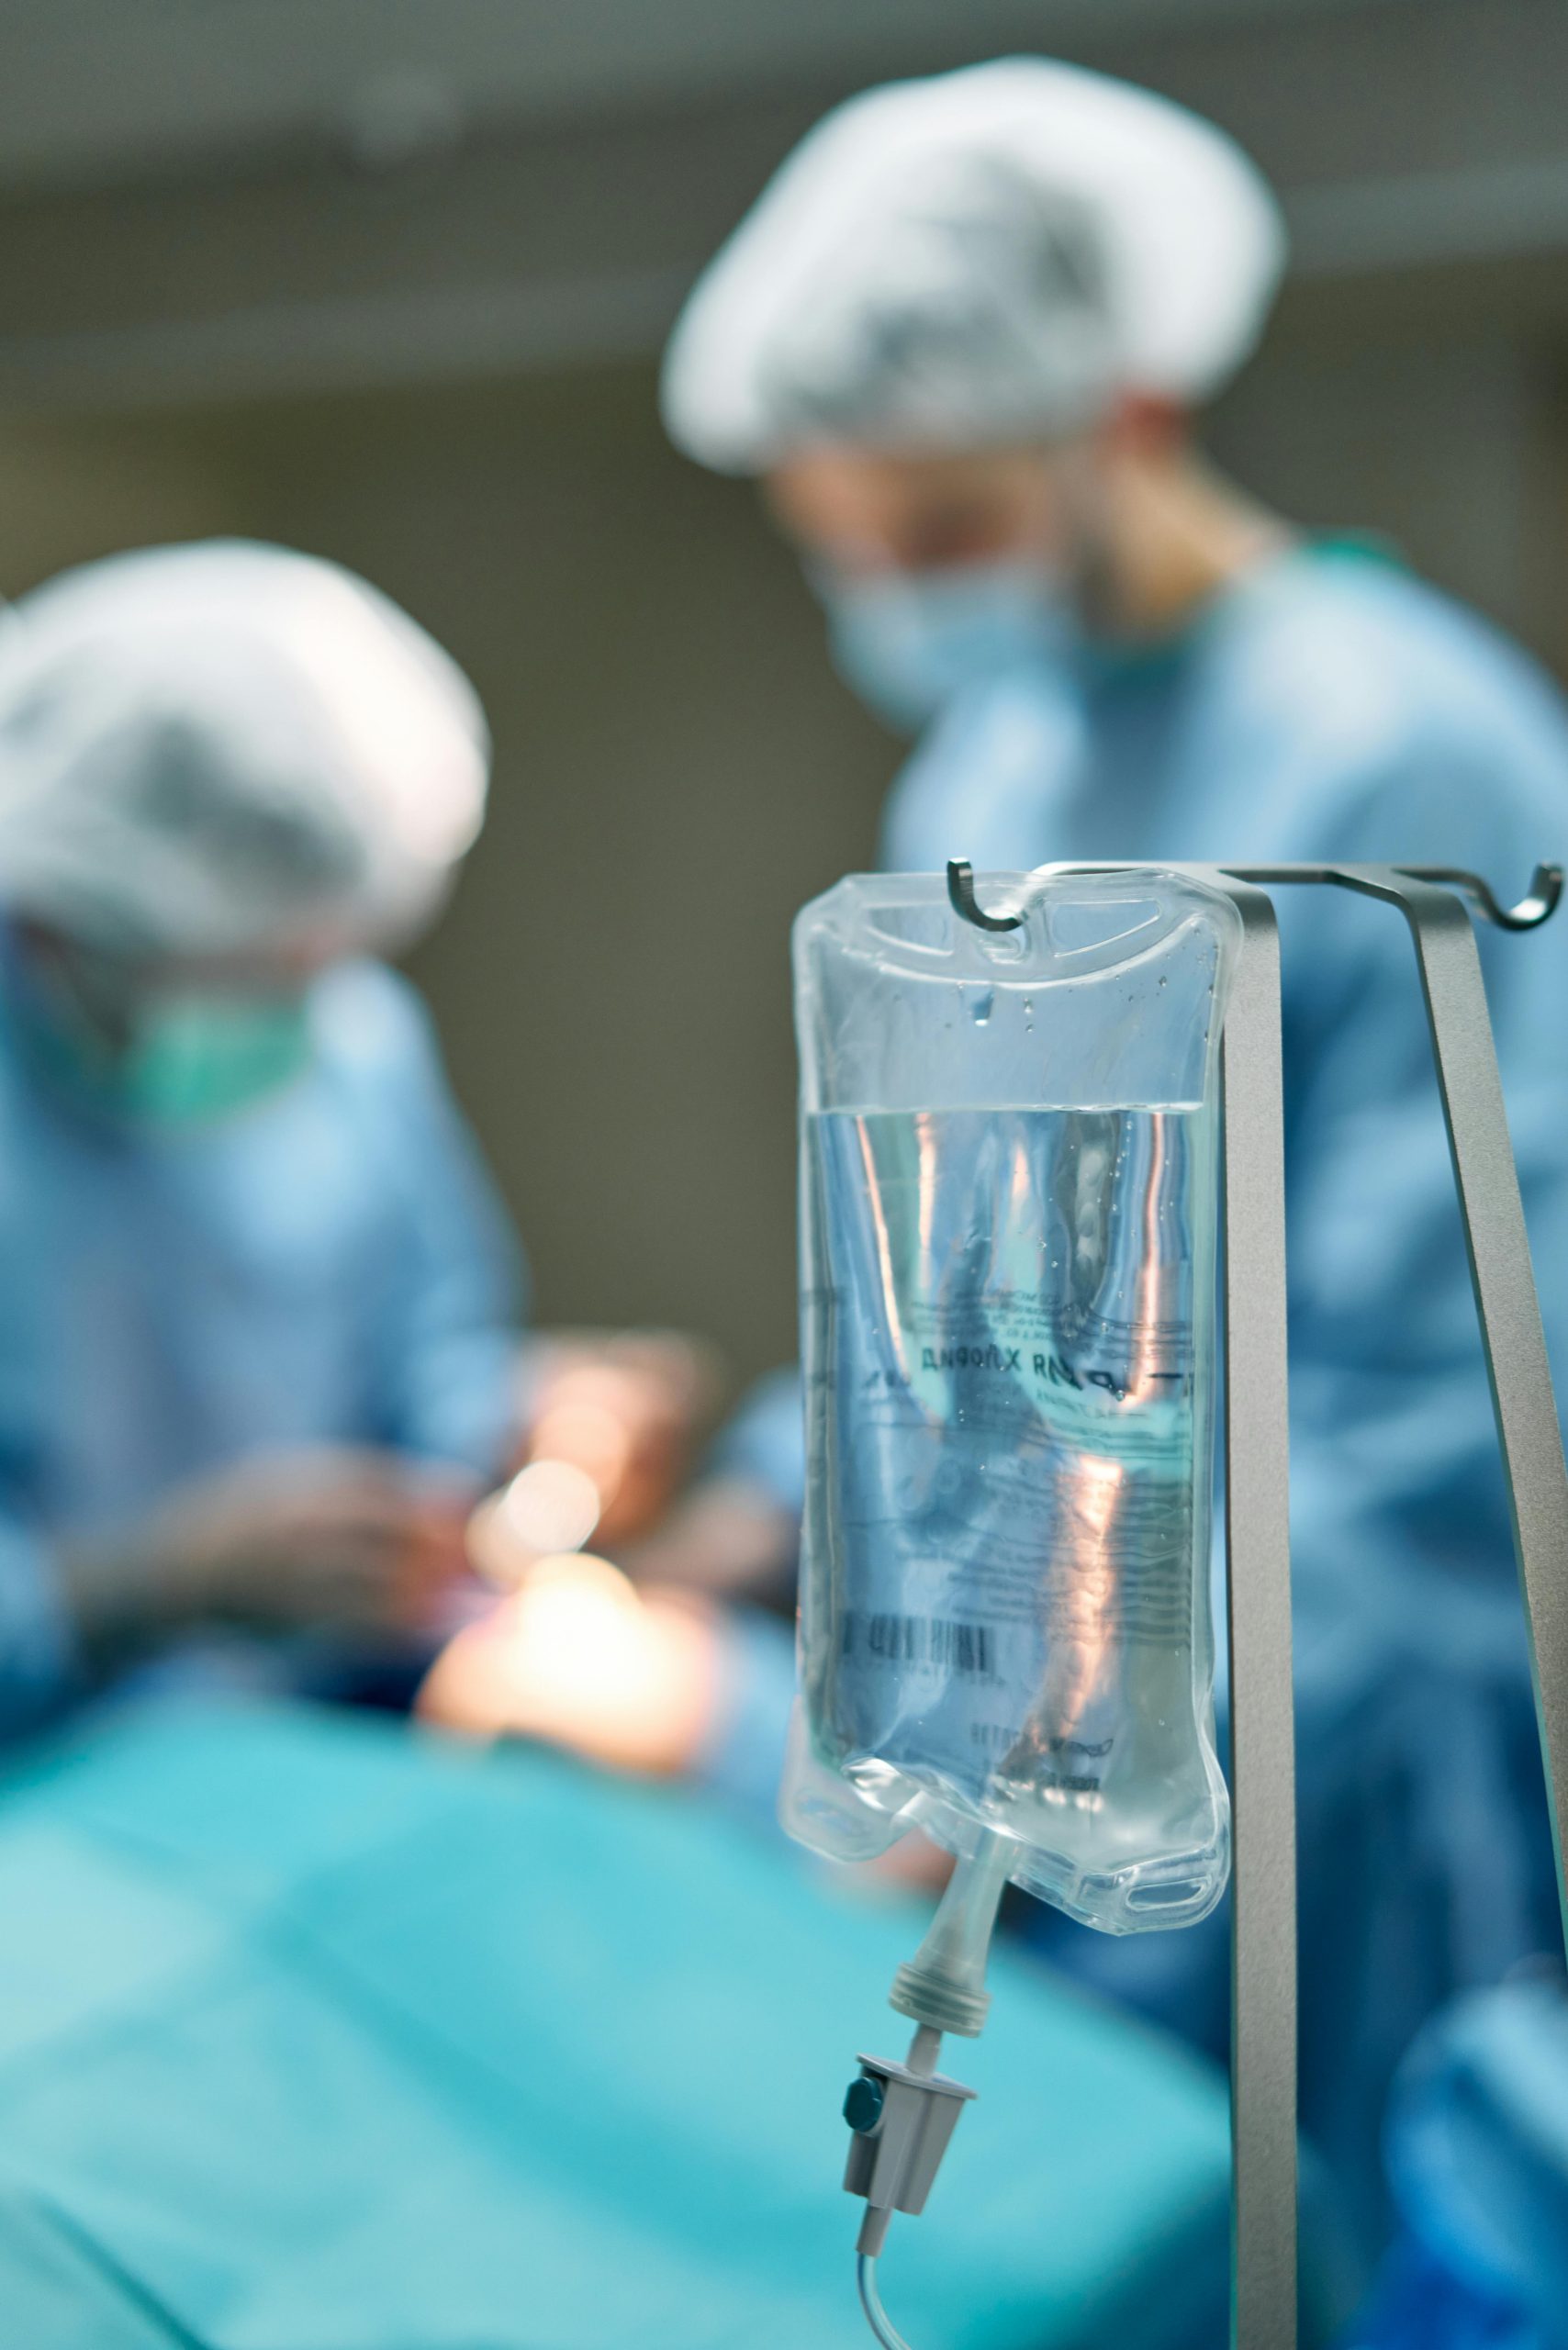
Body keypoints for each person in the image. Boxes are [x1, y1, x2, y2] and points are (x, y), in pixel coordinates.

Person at [650, 57, 1568, 2255]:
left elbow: (1403, 1433)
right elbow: (953, 1288)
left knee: (1310, 2244)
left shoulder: (1397, 746)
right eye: (841, 537)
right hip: (1050, 1719)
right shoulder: (992, 753)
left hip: (1329, 1731)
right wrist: (760, 1505)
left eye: (938, 525)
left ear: (1124, 417)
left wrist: (986, 1768)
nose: (887, 582)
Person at [0, 540, 702, 1727]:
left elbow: (426, 1357)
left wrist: (527, 1427)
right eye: (241, 979)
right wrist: (131, 1587)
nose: (293, 1021)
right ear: (65, 918)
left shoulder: (356, 1040)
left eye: (314, 973)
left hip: (319, 1738)